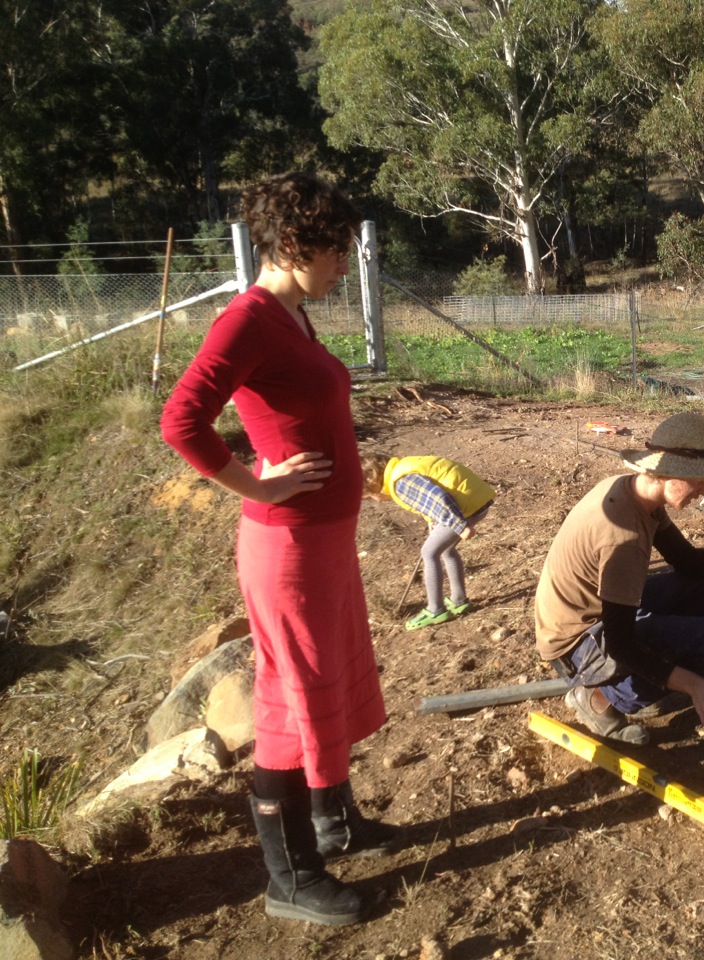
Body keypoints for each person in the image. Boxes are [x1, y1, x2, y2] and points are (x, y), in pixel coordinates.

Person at [160, 172, 402, 928]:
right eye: (337, 251)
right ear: (295, 243)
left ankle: (334, 821)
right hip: (286, 547)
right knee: (290, 698)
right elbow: (181, 421)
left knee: (326, 679)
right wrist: (258, 488)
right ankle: (289, 875)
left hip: (322, 544)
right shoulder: (249, 318)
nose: (344, 266)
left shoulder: (293, 317)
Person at [534, 411, 704, 745]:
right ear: (664, 472)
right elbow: (621, 643)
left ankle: (653, 680)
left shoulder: (634, 494)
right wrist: (696, 685)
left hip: (598, 612)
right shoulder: (623, 538)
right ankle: (598, 699)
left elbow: (686, 561)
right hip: (576, 644)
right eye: (697, 478)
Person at [361, 453, 495, 629]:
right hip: (475, 499)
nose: (375, 500)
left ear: (372, 481)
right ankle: (459, 600)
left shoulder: (401, 482)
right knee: (446, 550)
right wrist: (432, 520)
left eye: (370, 495)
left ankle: (435, 610)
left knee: (429, 552)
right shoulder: (402, 468)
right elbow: (426, 500)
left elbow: (439, 498)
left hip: (465, 507)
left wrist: (458, 526)